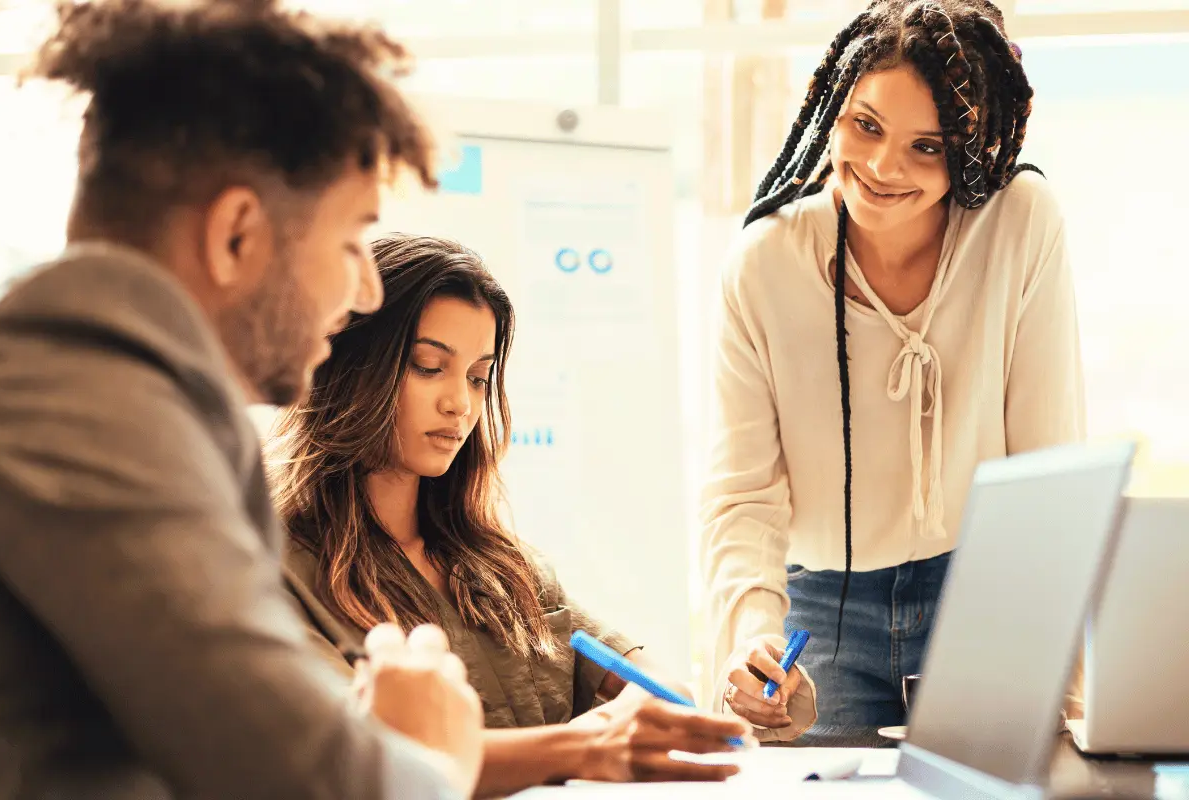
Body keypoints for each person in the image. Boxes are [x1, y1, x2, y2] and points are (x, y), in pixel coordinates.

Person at [0, 2, 487, 798]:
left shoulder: (109, 398)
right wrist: (431, 757)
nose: (364, 292)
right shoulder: (87, 414)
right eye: (353, 238)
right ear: (236, 236)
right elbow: (294, 775)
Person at [701, 0, 1084, 737]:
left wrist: (1063, 687)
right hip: (819, 607)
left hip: (987, 589)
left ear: (971, 148)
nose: (881, 167)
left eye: (927, 147)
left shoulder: (1021, 222)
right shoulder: (763, 264)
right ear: (831, 107)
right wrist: (753, 634)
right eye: (865, 125)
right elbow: (741, 494)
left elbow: (1049, 466)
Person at [268, 234, 752, 797]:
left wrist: (669, 711)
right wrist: (587, 747)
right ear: (351, 367)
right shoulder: (277, 572)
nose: (461, 404)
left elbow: (648, 684)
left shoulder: (503, 564)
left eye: (477, 377)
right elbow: (349, 763)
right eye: (428, 367)